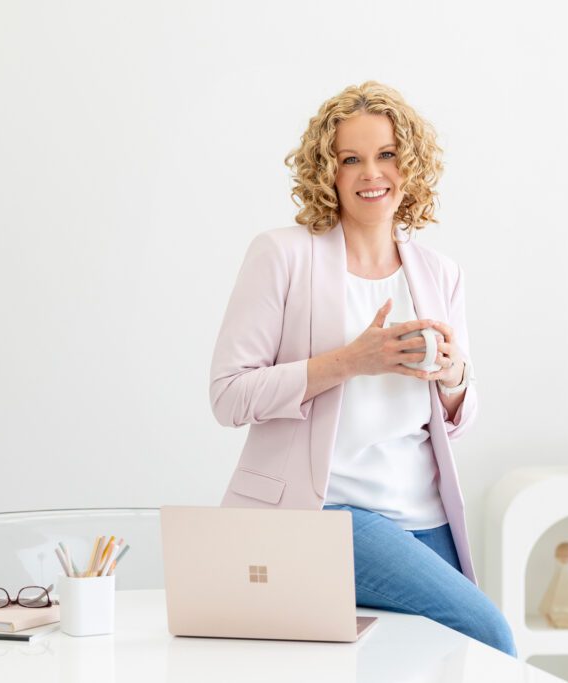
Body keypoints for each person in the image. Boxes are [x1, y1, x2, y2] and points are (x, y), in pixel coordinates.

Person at [209, 81, 516, 657]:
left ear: (411, 164)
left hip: (427, 518)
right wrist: (350, 361)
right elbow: (228, 395)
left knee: (431, 664)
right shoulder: (283, 255)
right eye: (351, 159)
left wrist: (453, 376)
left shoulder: (437, 272)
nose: (370, 173)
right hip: (329, 511)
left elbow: (458, 417)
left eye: (386, 155)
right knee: (488, 634)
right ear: (328, 171)